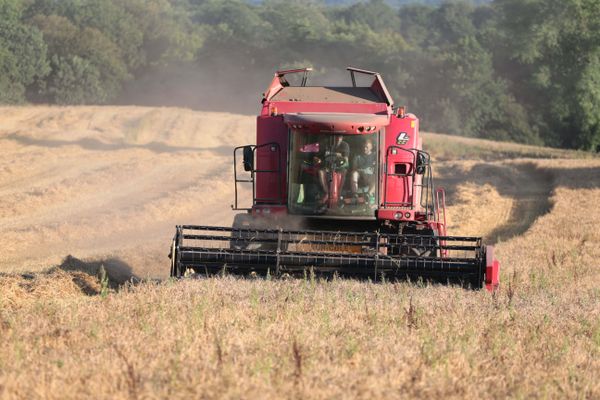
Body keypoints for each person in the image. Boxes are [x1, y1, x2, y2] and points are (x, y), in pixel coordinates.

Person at [313, 135, 349, 204]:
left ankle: (339, 193)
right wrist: (318, 160)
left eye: (340, 137)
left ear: (342, 138)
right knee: (320, 172)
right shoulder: (326, 144)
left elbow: (346, 160)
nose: (338, 138)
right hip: (327, 166)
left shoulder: (345, 145)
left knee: (344, 172)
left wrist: (340, 158)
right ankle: (326, 192)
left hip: (339, 167)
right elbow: (318, 157)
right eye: (336, 137)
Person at [351, 138, 376, 203]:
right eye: (364, 147)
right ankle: (355, 194)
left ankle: (369, 194)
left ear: (371, 147)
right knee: (354, 173)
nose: (365, 148)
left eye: (367, 147)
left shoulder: (375, 156)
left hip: (370, 176)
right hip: (360, 175)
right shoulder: (357, 156)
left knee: (378, 177)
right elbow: (354, 168)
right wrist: (361, 170)